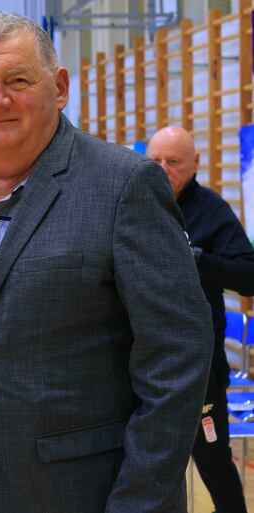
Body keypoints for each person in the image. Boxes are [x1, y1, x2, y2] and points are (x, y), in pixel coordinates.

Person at [0, 12, 213, 513]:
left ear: (61, 87)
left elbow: (177, 359)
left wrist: (139, 503)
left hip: (90, 496)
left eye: (18, 80)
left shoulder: (124, 184)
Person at [148, 125, 254, 513]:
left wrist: (200, 260)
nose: (163, 169)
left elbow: (248, 277)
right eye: (155, 161)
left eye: (174, 161)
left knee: (212, 460)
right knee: (146, 464)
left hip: (200, 364)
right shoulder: (133, 204)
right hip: (142, 359)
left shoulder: (212, 210)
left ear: (195, 163)